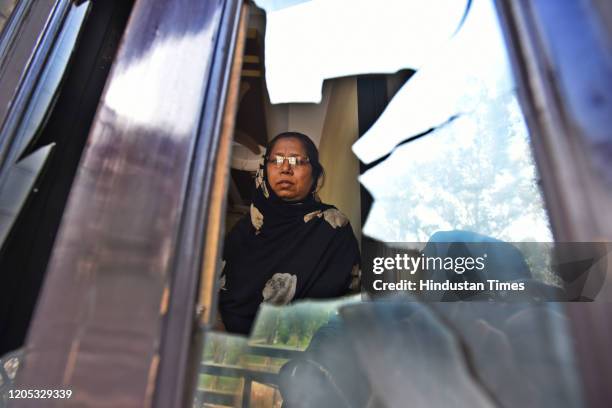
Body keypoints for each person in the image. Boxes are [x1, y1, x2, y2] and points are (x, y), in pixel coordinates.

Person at [218, 132, 360, 335]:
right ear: (264, 170)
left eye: (296, 161)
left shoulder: (332, 228)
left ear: (315, 174)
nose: (285, 168)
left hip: (293, 354)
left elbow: (337, 311)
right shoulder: (246, 227)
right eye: (275, 160)